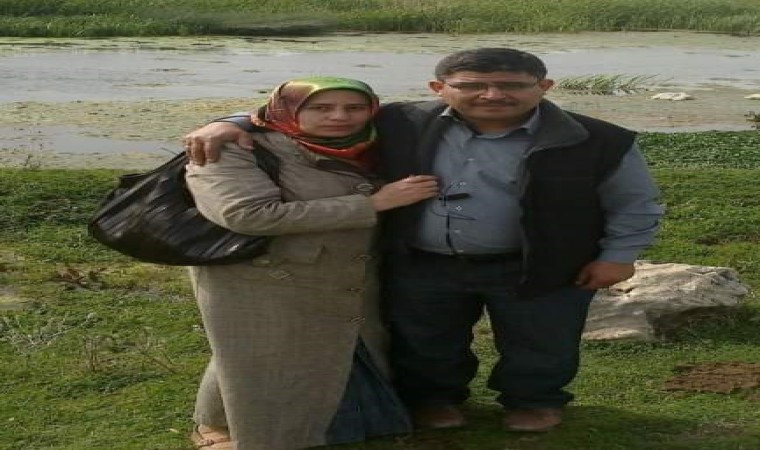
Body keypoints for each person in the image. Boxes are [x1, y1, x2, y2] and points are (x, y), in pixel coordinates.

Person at [183, 48, 664, 434]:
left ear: (544, 87)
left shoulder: (597, 138)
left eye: (513, 85)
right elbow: (305, 114)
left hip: (541, 262)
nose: (493, 94)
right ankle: (436, 400)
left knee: (542, 339)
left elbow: (635, 202)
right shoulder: (402, 121)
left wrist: (619, 256)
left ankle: (534, 401)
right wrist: (229, 122)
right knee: (425, 339)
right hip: (422, 259)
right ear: (439, 88)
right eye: (471, 86)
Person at [184, 76, 438, 450]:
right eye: (320, 107)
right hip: (264, 273)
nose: (340, 117)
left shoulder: (376, 142)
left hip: (348, 270)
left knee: (339, 345)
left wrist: (230, 118)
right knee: (252, 348)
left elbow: (463, 102)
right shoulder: (235, 147)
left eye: (354, 107)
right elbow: (247, 215)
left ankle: (352, 421)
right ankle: (217, 425)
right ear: (286, 109)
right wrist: (373, 204)